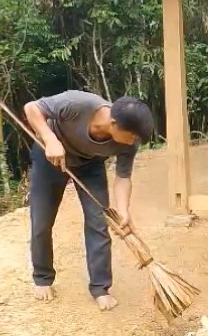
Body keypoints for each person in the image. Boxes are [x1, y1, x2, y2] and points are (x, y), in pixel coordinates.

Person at [24, 90, 155, 311]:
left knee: (98, 222)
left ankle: (100, 288)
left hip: (90, 165)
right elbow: (31, 108)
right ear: (113, 123)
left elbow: (123, 177)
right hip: (51, 157)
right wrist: (49, 138)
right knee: (42, 222)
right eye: (132, 136)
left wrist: (123, 210)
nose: (134, 141)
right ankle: (43, 278)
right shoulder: (78, 104)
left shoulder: (128, 144)